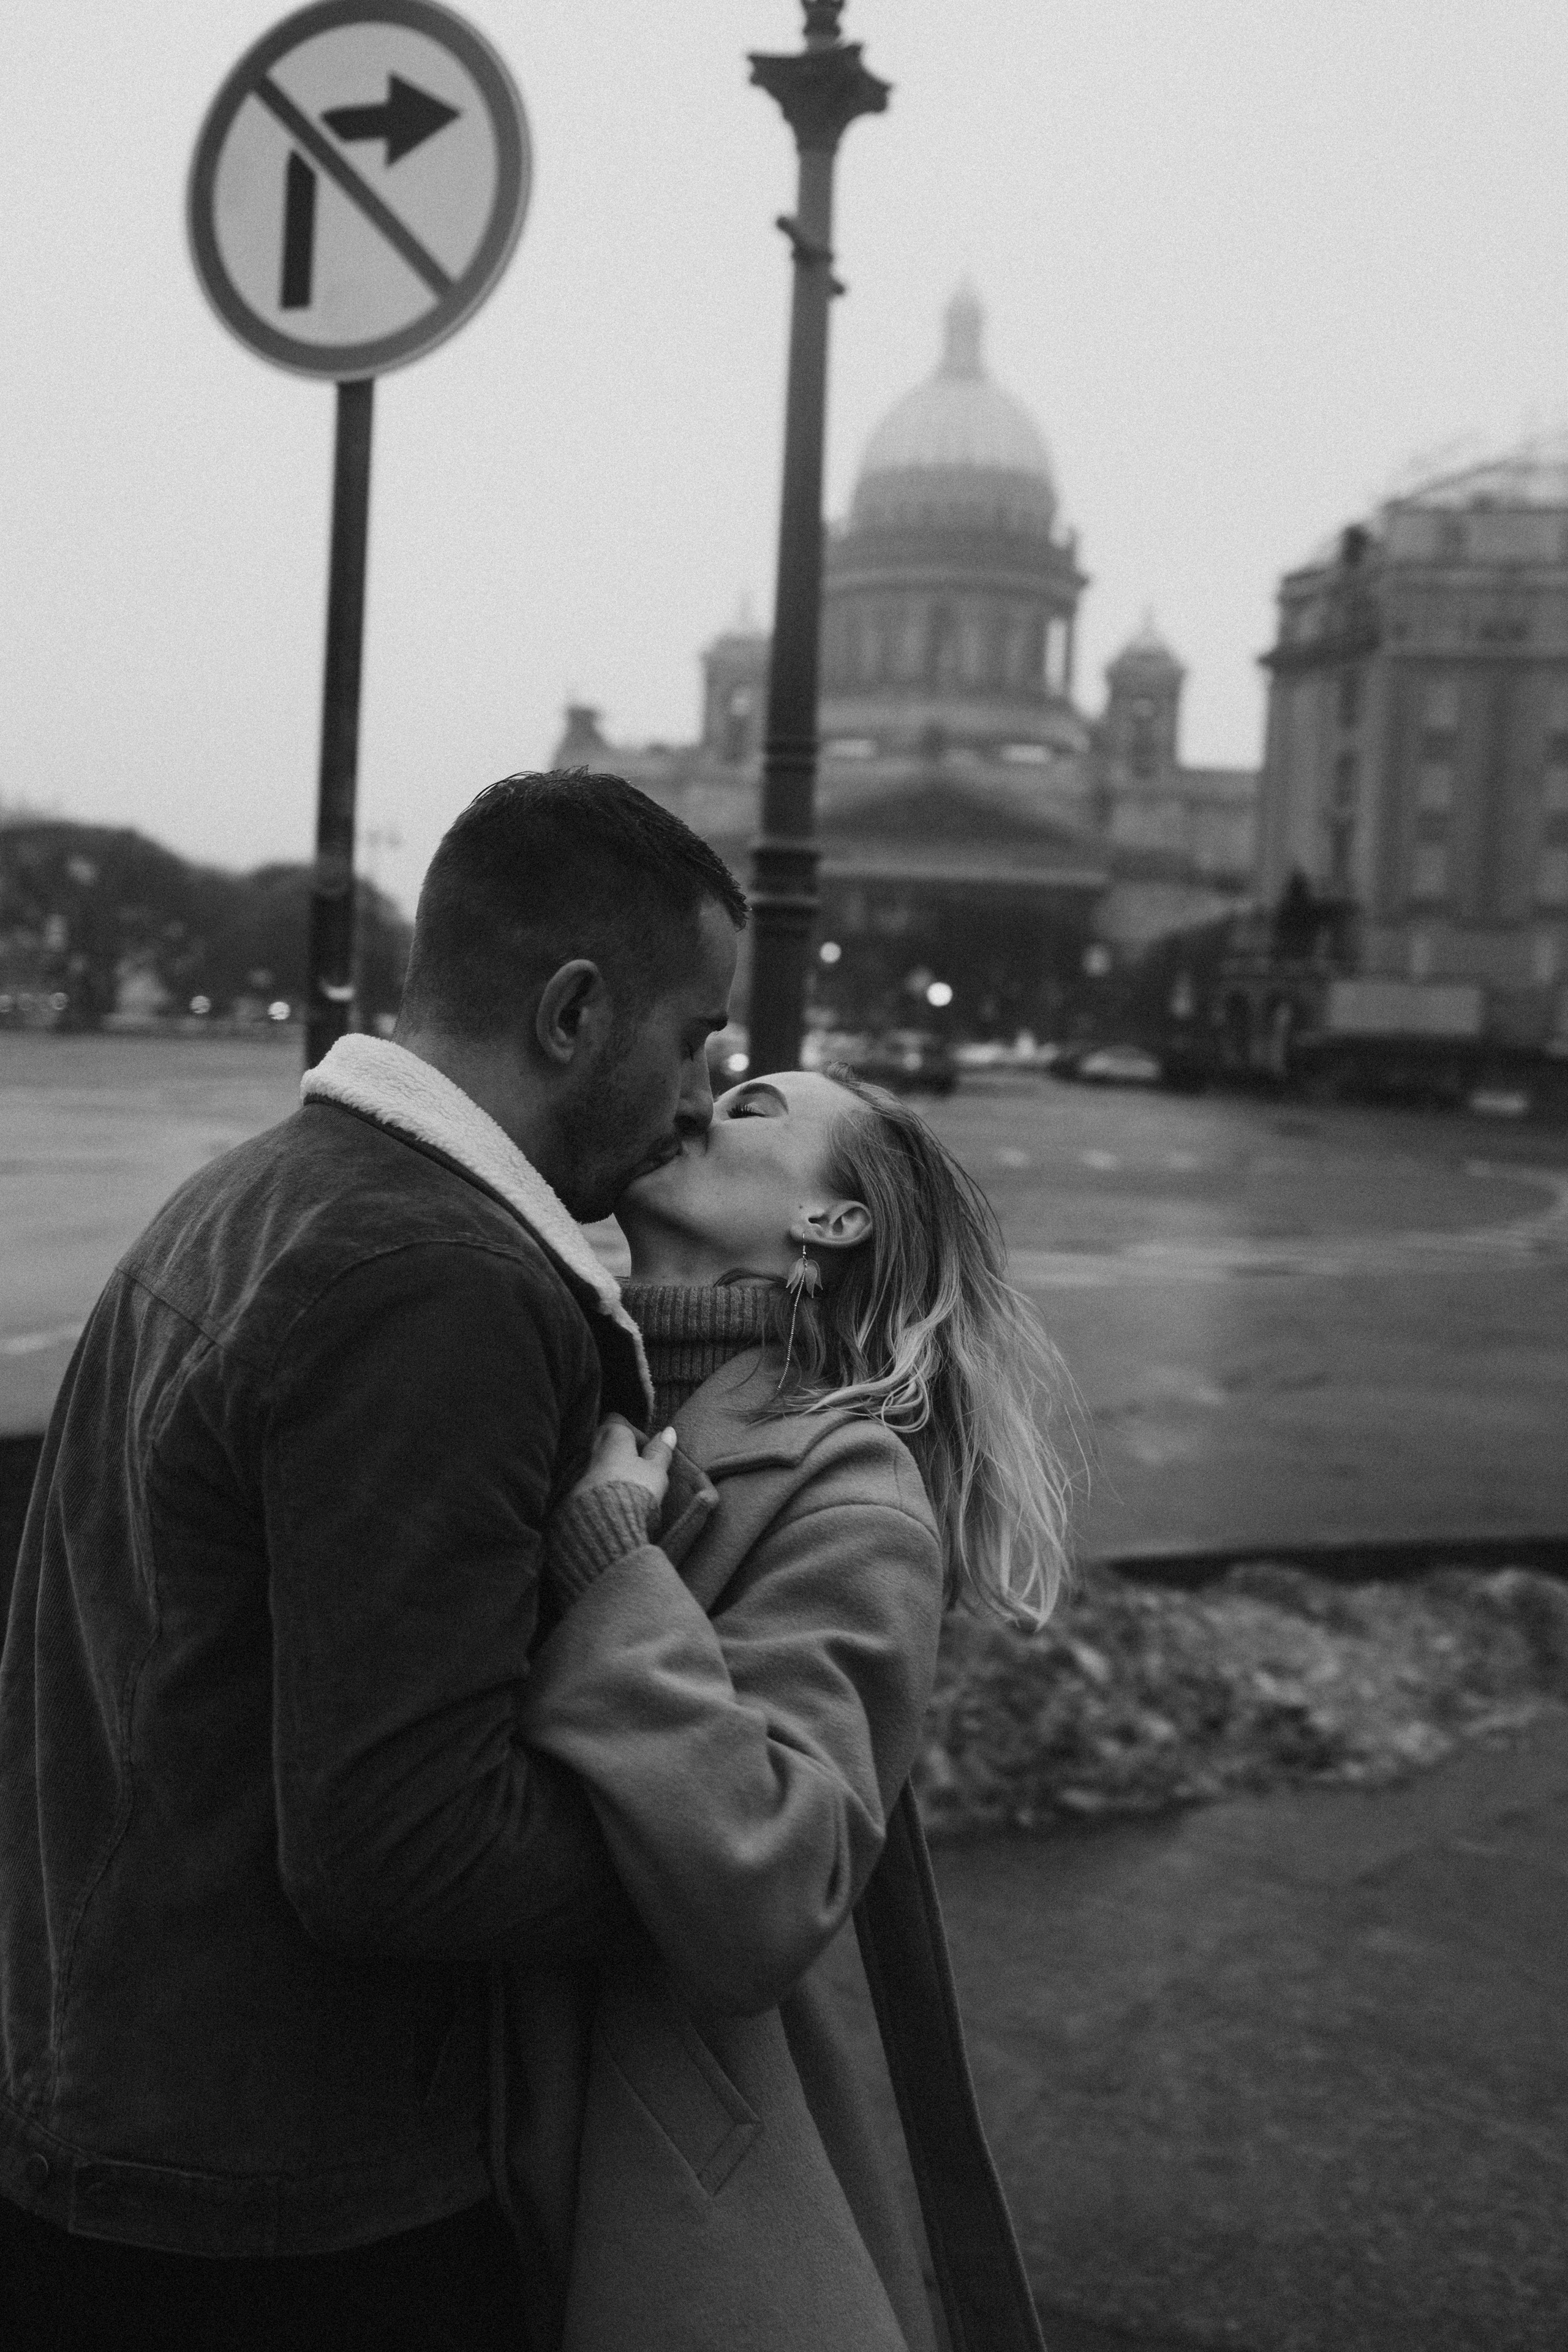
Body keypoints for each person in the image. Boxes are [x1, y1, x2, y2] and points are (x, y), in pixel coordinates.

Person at [0, 772, 746, 2351]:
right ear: (572, 1012)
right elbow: (404, 1850)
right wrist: (726, 1858)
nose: (700, 1104)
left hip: (136, 2116)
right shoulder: (440, 1286)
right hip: (283, 2203)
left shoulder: (264, 1196)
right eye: (696, 1042)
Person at [502, 1065, 1077, 2352]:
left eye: (755, 1106)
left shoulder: (850, 1496)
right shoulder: (555, 1362)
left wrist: (612, 1576)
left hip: (626, 2136)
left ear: (833, 1221)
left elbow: (779, 1879)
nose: (698, 1103)